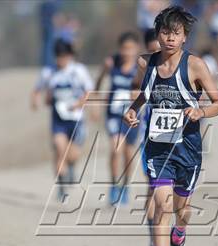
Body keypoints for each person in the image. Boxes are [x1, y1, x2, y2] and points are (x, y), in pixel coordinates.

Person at [124, 6, 218, 246]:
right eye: (164, 32)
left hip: (188, 149)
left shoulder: (195, 66)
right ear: (157, 35)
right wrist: (132, 110)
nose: (169, 38)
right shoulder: (146, 64)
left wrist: (200, 111)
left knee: (182, 211)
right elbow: (143, 94)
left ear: (185, 37)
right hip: (157, 148)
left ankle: (179, 235)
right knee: (161, 207)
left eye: (175, 33)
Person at [31, 39, 94, 200]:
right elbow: (38, 89)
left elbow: (89, 91)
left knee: (72, 155)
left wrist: (80, 104)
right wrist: (36, 100)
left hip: (76, 119)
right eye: (58, 57)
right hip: (58, 119)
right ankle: (61, 186)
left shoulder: (78, 71)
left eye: (64, 57)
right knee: (60, 150)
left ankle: (71, 166)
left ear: (70, 56)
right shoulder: (49, 72)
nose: (61, 60)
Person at [95, 32, 141, 206]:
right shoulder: (112, 63)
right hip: (114, 115)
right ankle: (114, 185)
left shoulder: (141, 67)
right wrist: (97, 95)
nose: (127, 52)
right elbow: (99, 80)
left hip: (133, 116)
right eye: (124, 48)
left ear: (136, 49)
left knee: (129, 154)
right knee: (116, 149)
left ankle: (125, 187)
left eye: (130, 48)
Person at [137, 28, 161, 246]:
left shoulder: (180, 65)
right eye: (153, 50)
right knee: (154, 189)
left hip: (178, 139)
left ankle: (167, 237)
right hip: (151, 138)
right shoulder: (145, 67)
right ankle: (154, 240)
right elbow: (136, 89)